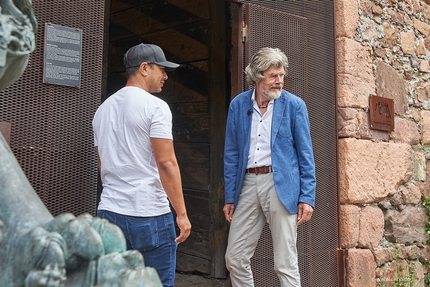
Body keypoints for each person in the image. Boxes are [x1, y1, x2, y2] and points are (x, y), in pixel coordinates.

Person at [92, 43, 191, 287]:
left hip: (108, 212)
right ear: (144, 68)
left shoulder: (102, 111)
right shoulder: (156, 107)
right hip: (148, 214)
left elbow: (102, 164)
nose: (165, 76)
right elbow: (166, 163)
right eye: (162, 69)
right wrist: (181, 214)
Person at [223, 47, 316, 287]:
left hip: (281, 184)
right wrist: (230, 196)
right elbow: (232, 154)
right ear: (256, 76)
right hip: (247, 183)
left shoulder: (295, 106)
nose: (280, 81)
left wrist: (307, 196)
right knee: (234, 258)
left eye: (282, 75)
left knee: (285, 263)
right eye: (273, 75)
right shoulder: (238, 105)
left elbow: (306, 154)